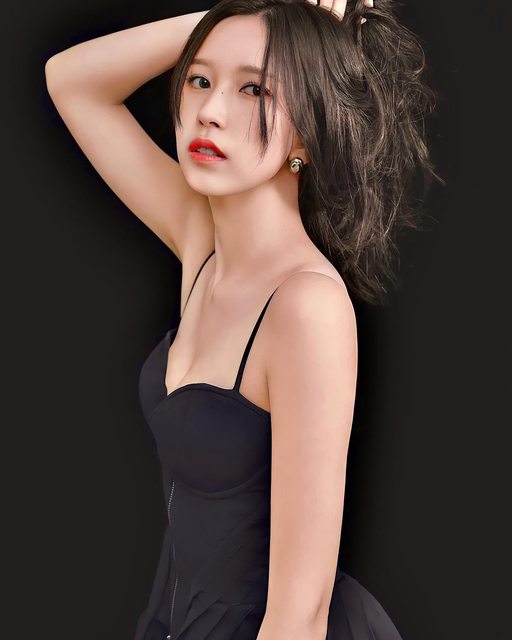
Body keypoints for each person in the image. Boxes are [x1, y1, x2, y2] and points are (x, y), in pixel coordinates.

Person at [45, 1, 439, 638]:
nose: (210, 110)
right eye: (200, 80)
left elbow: (298, 617)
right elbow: (71, 81)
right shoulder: (201, 242)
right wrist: (241, 12)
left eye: (254, 89)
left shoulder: (306, 308)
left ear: (306, 136)